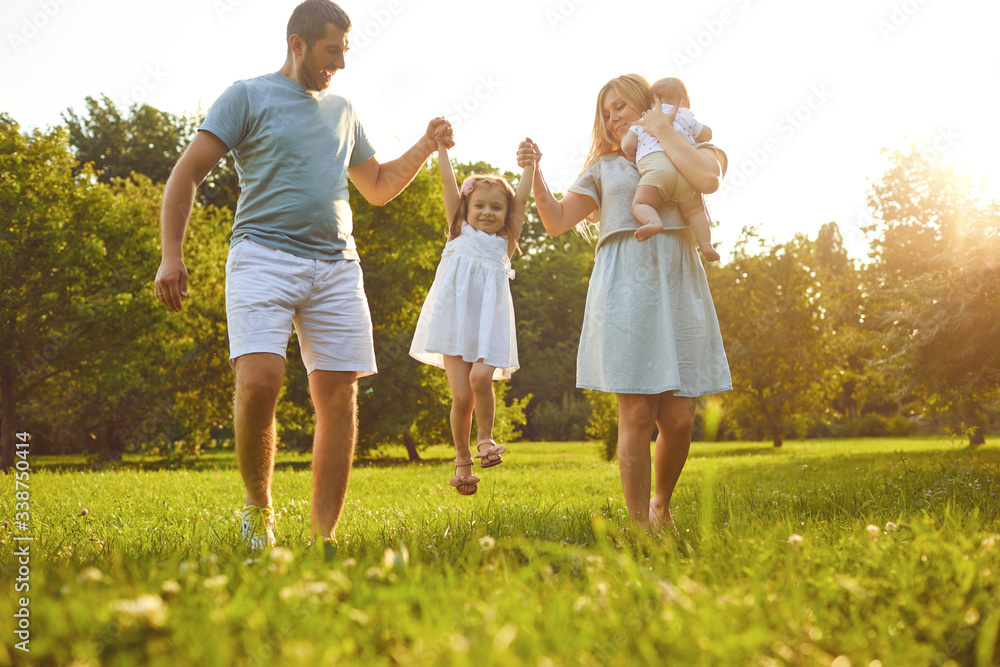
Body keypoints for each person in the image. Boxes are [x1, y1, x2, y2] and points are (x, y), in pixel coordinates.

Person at [153, 0, 454, 550]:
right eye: (330, 50)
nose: (338, 62)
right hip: (261, 256)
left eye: (344, 50)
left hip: (337, 266)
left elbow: (379, 186)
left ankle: (323, 538)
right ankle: (257, 511)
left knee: (339, 396)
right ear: (297, 43)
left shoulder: (343, 109)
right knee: (260, 381)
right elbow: (186, 175)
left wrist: (426, 143)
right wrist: (171, 255)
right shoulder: (247, 95)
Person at [517, 74, 730, 529]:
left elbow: (709, 180)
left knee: (679, 417)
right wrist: (534, 172)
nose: (612, 118)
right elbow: (555, 222)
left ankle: (661, 504)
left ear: (647, 103)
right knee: (635, 411)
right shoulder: (603, 167)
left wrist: (665, 127)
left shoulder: (697, 146)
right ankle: (639, 526)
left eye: (621, 108)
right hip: (625, 290)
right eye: (605, 112)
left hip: (679, 283)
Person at [409, 142, 533, 495]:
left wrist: (531, 166)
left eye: (496, 207)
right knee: (461, 397)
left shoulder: (504, 243)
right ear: (467, 208)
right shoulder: (457, 231)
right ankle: (462, 461)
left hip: (489, 325)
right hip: (453, 323)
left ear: (506, 214)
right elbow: (449, 184)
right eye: (479, 205)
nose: (487, 212)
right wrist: (441, 149)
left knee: (482, 378)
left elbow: (522, 202)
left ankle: (485, 440)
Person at [620, 77, 720, 261]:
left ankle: (653, 221)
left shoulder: (643, 120)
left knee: (641, 203)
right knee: (695, 211)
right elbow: (707, 135)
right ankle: (706, 245)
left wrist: (633, 152)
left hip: (658, 168)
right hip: (685, 172)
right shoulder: (685, 115)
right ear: (682, 103)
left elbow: (627, 146)